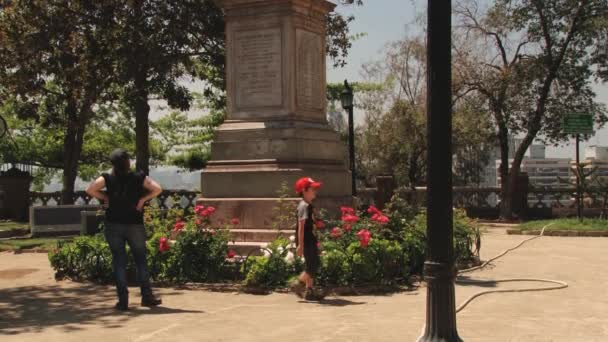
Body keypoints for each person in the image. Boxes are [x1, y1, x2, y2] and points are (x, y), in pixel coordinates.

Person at [86, 148, 163, 311]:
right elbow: (157, 189)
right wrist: (142, 200)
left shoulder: (107, 178)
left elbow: (90, 190)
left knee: (119, 261)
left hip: (113, 223)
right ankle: (147, 297)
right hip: (134, 223)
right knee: (141, 260)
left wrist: (105, 197)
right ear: (128, 162)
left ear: (113, 164)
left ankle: (123, 301)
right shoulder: (138, 177)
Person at [290, 177, 324, 301]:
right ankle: (297, 284)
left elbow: (309, 223)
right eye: (312, 189)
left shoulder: (308, 205)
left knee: (311, 263)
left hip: (310, 238)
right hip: (306, 240)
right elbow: (301, 227)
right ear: (304, 190)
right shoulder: (304, 206)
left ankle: (309, 291)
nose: (315, 191)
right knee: (313, 265)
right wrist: (300, 245)